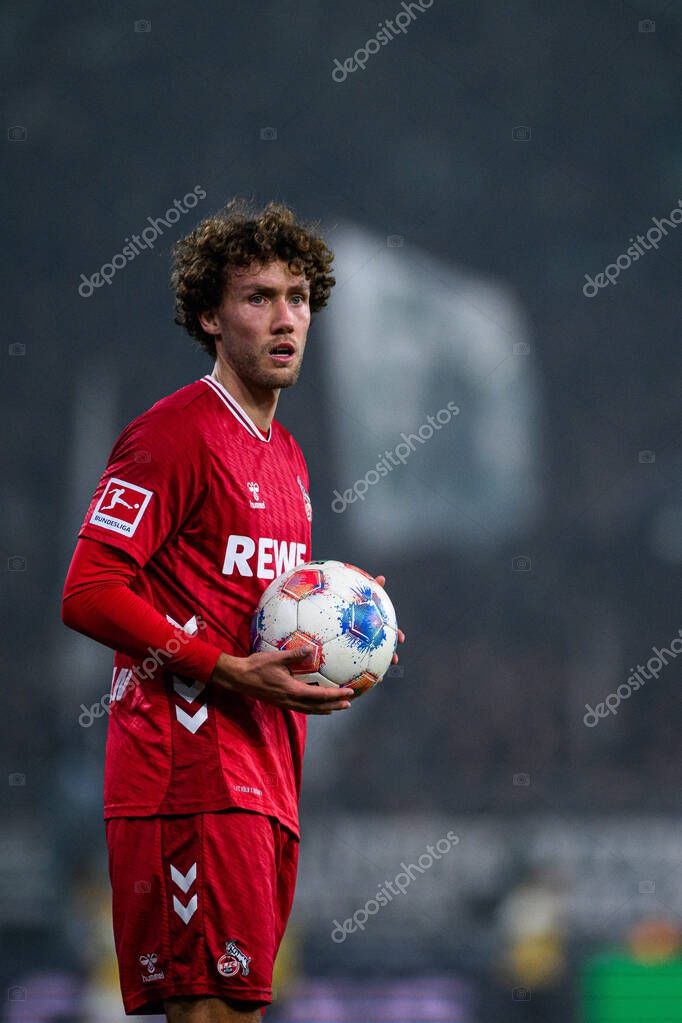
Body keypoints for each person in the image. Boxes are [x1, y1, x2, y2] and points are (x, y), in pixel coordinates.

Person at [62, 198, 404, 1022]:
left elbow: (264, 607)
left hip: (264, 775)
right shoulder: (173, 435)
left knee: (240, 1009)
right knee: (209, 1011)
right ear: (212, 317)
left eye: (298, 297)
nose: (285, 318)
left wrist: (364, 627)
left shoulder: (286, 457)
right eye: (258, 298)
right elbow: (89, 588)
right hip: (186, 774)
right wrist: (222, 667)